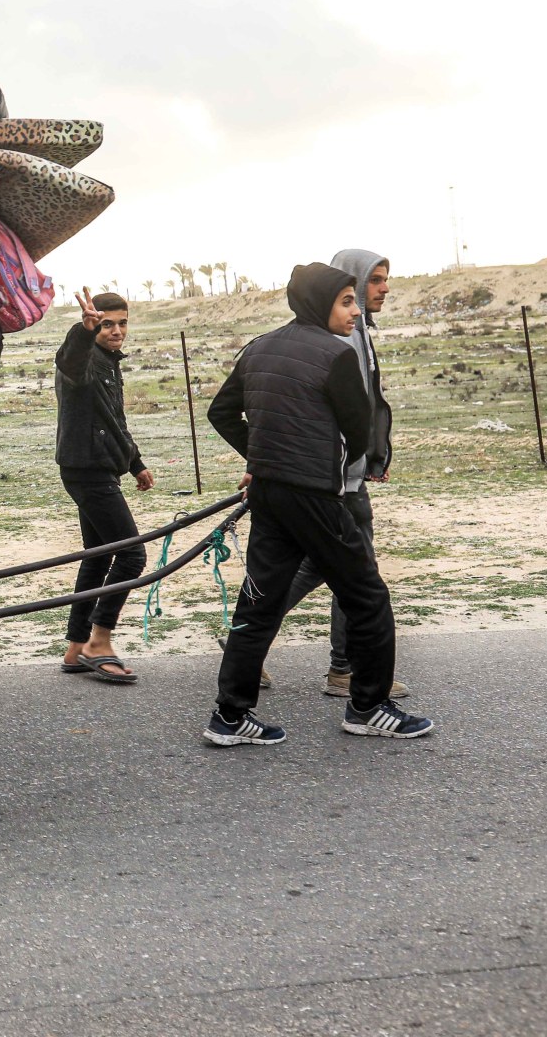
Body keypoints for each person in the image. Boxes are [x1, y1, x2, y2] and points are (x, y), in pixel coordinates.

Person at [203, 265, 433, 747]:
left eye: (355, 301)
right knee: (368, 596)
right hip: (314, 496)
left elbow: (220, 412)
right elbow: (360, 430)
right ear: (319, 304)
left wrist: (261, 453)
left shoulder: (258, 347)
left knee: (259, 602)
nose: (354, 312)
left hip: (269, 492)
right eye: (346, 301)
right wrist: (329, 457)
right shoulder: (335, 355)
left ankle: (229, 716)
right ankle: (369, 707)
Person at [279, 249, 410, 701]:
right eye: (375, 280)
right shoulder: (343, 336)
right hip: (335, 479)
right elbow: (337, 413)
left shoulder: (358, 332)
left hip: (345, 475)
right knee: (358, 573)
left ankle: (245, 640)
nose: (384, 289)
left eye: (384, 279)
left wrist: (373, 459)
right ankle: (346, 669)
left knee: (317, 565)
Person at [54, 289, 154, 684]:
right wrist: (83, 330)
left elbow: (114, 418)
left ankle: (77, 647)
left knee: (98, 556)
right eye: (108, 324)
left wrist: (135, 463)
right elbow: (69, 361)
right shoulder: (85, 360)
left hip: (99, 467)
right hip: (87, 469)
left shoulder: (110, 363)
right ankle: (100, 640)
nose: (116, 331)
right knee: (131, 556)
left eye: (122, 323)